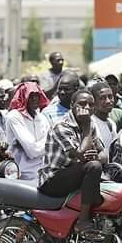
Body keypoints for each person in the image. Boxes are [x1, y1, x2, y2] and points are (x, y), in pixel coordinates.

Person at [38, 90, 106, 234]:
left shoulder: (91, 123)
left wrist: (97, 156)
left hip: (74, 174)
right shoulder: (62, 125)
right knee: (93, 166)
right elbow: (80, 155)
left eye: (91, 105)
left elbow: (104, 154)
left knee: (98, 167)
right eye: (82, 104)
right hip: (53, 179)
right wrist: (87, 126)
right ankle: (82, 220)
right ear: (72, 105)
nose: (87, 108)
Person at [5, 82, 51, 184]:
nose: (35, 99)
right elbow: (33, 151)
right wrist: (50, 140)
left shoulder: (42, 117)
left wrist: (47, 142)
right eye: (31, 96)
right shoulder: (14, 116)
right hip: (22, 174)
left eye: (37, 96)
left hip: (43, 171)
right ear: (23, 97)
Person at [89, 80, 118, 156]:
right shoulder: (90, 123)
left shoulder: (112, 123)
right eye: (102, 98)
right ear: (93, 101)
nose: (108, 101)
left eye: (110, 97)